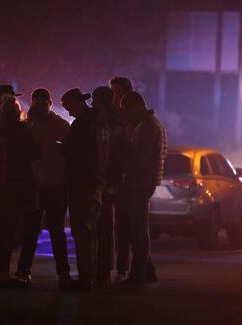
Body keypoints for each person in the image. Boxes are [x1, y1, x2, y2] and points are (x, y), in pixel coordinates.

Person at [14, 88, 72, 289]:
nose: (38, 107)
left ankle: (62, 273)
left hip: (55, 185)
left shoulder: (61, 126)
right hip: (36, 187)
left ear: (49, 103)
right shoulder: (29, 126)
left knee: (56, 231)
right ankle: (24, 270)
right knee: (31, 231)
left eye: (42, 104)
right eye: (36, 104)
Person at [62, 88, 110, 291]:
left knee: (83, 232)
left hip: (83, 185)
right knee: (92, 232)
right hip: (97, 184)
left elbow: (72, 152)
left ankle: (86, 278)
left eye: (68, 108)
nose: (69, 113)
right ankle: (95, 276)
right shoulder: (101, 124)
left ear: (76, 103)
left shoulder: (82, 125)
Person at [118, 91, 167, 287]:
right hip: (144, 181)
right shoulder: (150, 124)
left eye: (126, 110)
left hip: (140, 182)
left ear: (135, 107)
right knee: (136, 227)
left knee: (137, 229)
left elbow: (139, 158)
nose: (125, 115)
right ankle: (147, 271)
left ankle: (138, 274)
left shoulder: (146, 127)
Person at [0, 96, 40, 287]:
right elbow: (36, 152)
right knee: (29, 230)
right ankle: (23, 270)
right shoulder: (22, 132)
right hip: (24, 186)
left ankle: (1, 270)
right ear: (18, 113)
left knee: (4, 231)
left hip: (3, 187)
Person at [91, 86, 124, 287]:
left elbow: (107, 157)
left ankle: (101, 270)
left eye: (95, 99)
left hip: (103, 181)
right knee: (105, 228)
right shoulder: (118, 123)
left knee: (101, 228)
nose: (92, 103)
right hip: (110, 182)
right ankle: (104, 270)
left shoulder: (104, 125)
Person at [109, 76, 134, 284]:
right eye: (113, 92)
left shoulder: (130, 120)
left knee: (125, 225)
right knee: (113, 225)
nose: (115, 97)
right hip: (111, 175)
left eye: (118, 92)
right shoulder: (109, 116)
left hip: (126, 178)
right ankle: (112, 266)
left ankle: (123, 267)